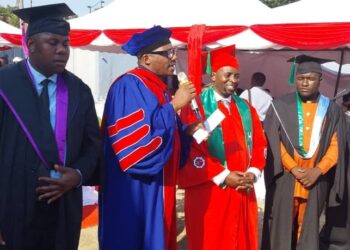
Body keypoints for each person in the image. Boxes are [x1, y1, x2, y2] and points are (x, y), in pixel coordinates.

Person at [0, 4, 101, 250]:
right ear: (31, 45)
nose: (62, 50)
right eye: (53, 42)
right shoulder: (5, 85)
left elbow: (94, 147)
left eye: (65, 43)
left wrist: (76, 176)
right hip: (11, 206)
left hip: (63, 207)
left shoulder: (79, 91)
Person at [99, 26, 197, 250]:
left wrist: (186, 133)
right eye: (167, 53)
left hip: (159, 185)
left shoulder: (159, 88)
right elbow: (134, 146)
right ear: (146, 59)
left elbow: (163, 131)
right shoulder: (129, 84)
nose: (174, 58)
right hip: (136, 188)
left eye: (174, 52)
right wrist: (173, 106)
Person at [178, 45, 267, 250]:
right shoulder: (196, 106)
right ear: (213, 76)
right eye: (227, 75)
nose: (233, 80)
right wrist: (223, 175)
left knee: (240, 239)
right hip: (211, 188)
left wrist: (252, 172)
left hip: (243, 187)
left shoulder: (245, 107)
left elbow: (260, 142)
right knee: (212, 239)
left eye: (236, 76)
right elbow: (190, 149)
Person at [261, 55, 348, 250]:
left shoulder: (332, 110)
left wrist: (318, 170)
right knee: (281, 226)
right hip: (286, 177)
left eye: (310, 78)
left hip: (316, 179)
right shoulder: (280, 105)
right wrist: (293, 167)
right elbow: (274, 141)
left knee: (308, 227)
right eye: (301, 78)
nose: (305, 83)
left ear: (320, 80)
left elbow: (337, 144)